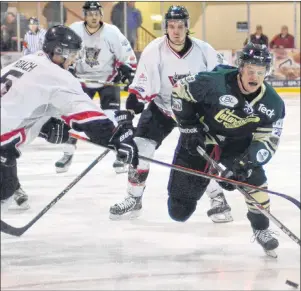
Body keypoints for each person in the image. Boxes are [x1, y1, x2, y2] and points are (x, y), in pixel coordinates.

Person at [109, 5, 233, 223]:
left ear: (187, 28)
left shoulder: (204, 50)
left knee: (200, 154)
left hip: (195, 114)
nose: (175, 31)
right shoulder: (154, 50)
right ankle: (134, 198)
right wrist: (128, 113)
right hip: (163, 108)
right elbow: (141, 88)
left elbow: (220, 85)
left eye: (180, 26)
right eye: (171, 26)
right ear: (166, 27)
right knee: (141, 147)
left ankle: (218, 198)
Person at [0, 25, 138, 213]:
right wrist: (116, 137)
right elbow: (88, 116)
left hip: (4, 138)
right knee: (6, 192)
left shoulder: (26, 61)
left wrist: (44, 127)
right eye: (72, 54)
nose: (74, 60)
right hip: (2, 142)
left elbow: (15, 102)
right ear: (58, 51)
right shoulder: (58, 76)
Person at [168, 42, 285, 257]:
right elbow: (179, 91)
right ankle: (209, 179)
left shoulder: (273, 103)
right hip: (201, 137)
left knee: (255, 179)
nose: (255, 77)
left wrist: (244, 163)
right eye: (250, 70)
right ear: (240, 67)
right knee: (179, 211)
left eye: (260, 72)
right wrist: (188, 127)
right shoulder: (213, 82)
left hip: (236, 143)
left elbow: (268, 142)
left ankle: (261, 228)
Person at [54, 1, 137, 174]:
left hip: (108, 80)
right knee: (72, 116)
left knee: (113, 118)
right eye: (90, 13)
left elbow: (127, 54)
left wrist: (127, 70)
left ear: (101, 14)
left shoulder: (112, 32)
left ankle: (120, 154)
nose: (93, 17)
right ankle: (67, 153)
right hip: (82, 81)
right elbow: (65, 52)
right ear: (85, 15)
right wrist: (66, 66)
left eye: (96, 13)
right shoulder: (75, 30)